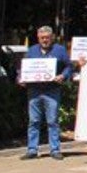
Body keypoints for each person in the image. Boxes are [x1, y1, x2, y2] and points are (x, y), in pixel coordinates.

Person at [20, 26, 72, 160]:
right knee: (34, 121)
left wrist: (63, 76)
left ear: (52, 38)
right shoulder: (32, 51)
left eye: (47, 38)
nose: (45, 40)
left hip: (52, 90)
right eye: (42, 38)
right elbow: (23, 69)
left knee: (52, 121)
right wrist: (20, 78)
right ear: (38, 38)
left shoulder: (59, 50)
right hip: (34, 91)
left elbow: (68, 66)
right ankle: (32, 150)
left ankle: (55, 150)